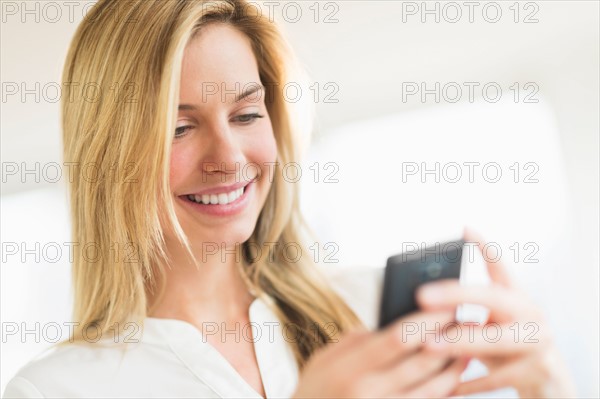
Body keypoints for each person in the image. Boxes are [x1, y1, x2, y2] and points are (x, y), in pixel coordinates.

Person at [3, 1, 576, 397]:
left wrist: (549, 390)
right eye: (179, 128)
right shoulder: (56, 389)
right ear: (108, 154)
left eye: (247, 114)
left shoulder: (368, 313)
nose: (228, 159)